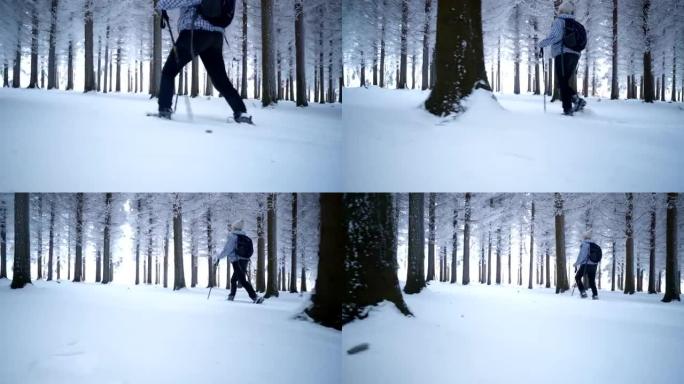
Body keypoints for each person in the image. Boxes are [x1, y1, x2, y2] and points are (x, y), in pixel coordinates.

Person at [155, 0, 253, 123]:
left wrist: (161, 4)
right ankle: (241, 112)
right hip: (216, 36)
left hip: (195, 31)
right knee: (220, 79)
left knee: (169, 72)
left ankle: (164, 109)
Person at [538, 1, 587, 116]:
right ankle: (575, 100)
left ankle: (568, 108)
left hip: (562, 53)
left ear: (560, 11)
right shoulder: (577, 24)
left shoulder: (559, 21)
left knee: (562, 81)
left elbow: (555, 37)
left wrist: (541, 44)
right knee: (564, 81)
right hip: (575, 55)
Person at [214, 219, 264, 303]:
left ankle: (255, 297)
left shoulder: (233, 236)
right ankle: (231, 296)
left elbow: (227, 249)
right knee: (234, 279)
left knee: (242, 280)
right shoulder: (244, 237)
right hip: (245, 260)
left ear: (234, 227)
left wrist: (219, 257)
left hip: (237, 261)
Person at [573, 231, 599, 300]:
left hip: (586, 264)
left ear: (584, 237)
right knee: (592, 280)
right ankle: (595, 294)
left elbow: (582, 256)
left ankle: (583, 292)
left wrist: (576, 263)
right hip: (594, 265)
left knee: (577, 277)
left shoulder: (585, 244)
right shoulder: (594, 245)